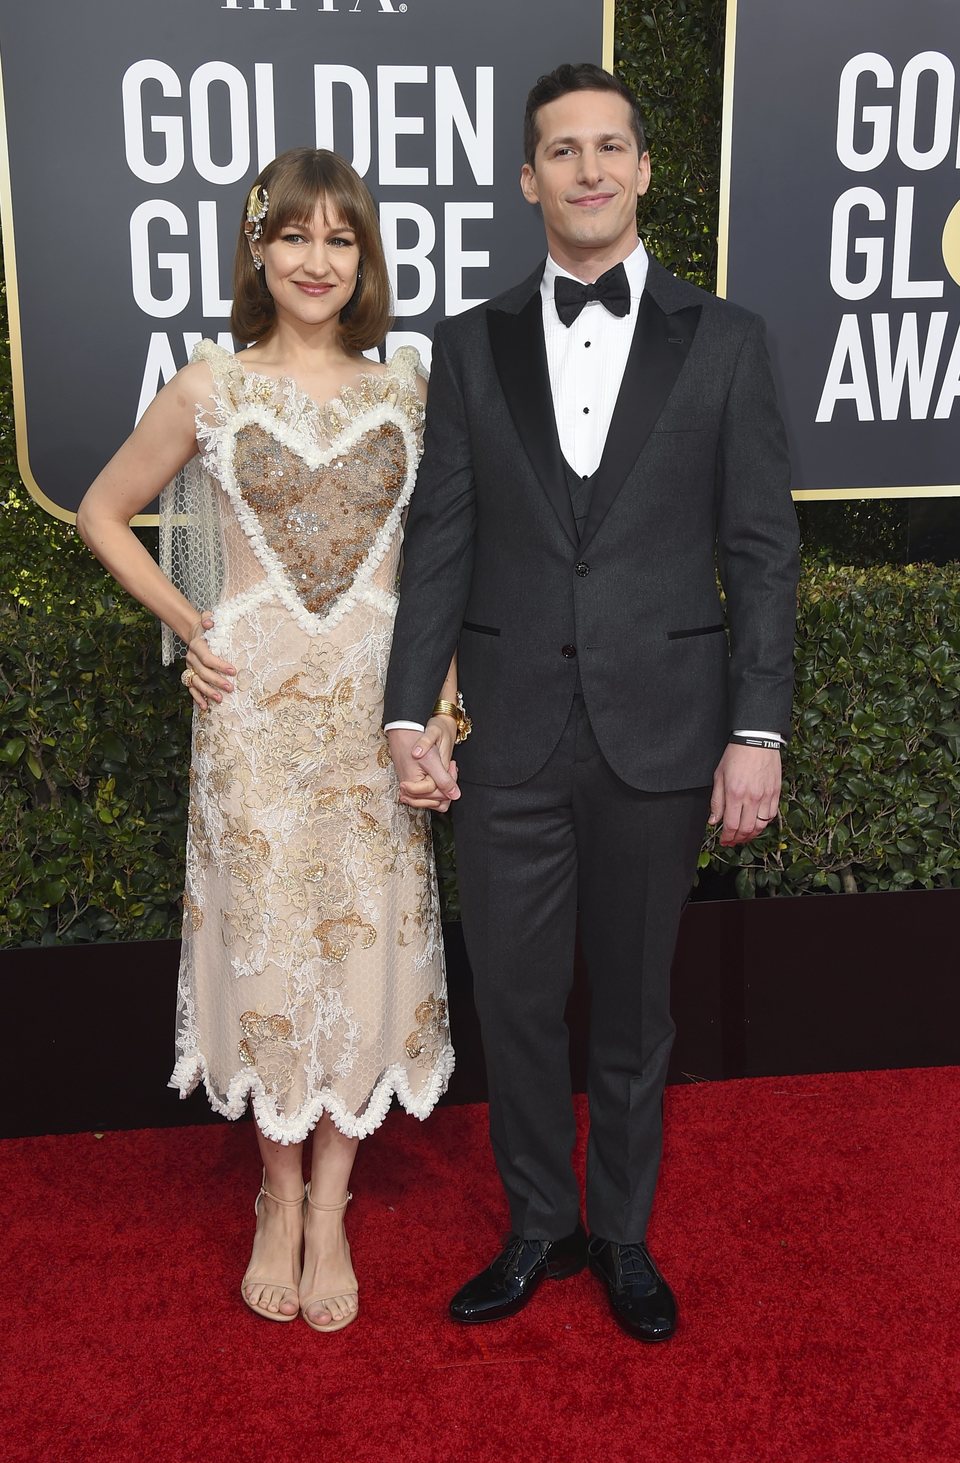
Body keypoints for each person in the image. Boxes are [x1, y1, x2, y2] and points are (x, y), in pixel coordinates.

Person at [383, 64, 799, 1341]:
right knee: (510, 996)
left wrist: (757, 728)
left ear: (644, 169)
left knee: (631, 1001)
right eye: (562, 150)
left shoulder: (725, 339)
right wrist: (408, 711)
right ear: (528, 179)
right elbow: (440, 537)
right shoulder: (466, 342)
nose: (589, 169)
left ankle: (621, 1231)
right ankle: (537, 1226)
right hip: (504, 731)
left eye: (610, 145)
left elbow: (763, 547)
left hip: (667, 728)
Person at [77, 147, 458, 1332]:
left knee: (364, 949)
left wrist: (443, 700)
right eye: (296, 235)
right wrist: (197, 621)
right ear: (258, 247)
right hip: (249, 716)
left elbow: (445, 563)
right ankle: (274, 1191)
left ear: (365, 259)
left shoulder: (411, 386)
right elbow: (102, 509)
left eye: (341, 239)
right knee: (270, 947)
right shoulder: (210, 387)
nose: (316, 259)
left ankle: (332, 1205)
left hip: (373, 712)